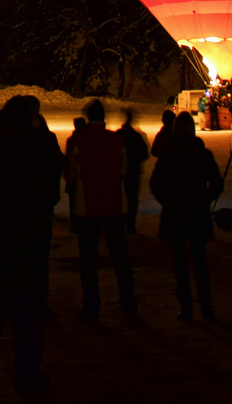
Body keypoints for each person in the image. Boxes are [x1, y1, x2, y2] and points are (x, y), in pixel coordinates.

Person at [0, 95, 62, 391]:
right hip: (30, 242)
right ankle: (27, 374)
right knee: (28, 317)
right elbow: (54, 189)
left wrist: (5, 114)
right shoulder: (42, 146)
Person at [150, 111, 222, 319]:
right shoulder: (202, 154)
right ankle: (206, 307)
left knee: (180, 265)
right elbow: (217, 183)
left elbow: (155, 184)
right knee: (200, 263)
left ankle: (187, 308)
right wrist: (204, 200)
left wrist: (168, 201)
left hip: (176, 214)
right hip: (197, 214)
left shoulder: (169, 155)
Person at [67, 99, 134, 318]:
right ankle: (127, 301)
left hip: (87, 205)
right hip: (114, 203)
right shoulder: (116, 140)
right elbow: (125, 169)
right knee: (120, 256)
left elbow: (71, 173)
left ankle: (91, 303)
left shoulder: (76, 139)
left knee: (88, 259)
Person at [118, 108, 149, 233]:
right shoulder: (136, 137)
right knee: (132, 198)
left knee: (121, 197)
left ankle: (121, 222)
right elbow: (144, 154)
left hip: (119, 173)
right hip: (134, 172)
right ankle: (131, 223)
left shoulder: (118, 135)